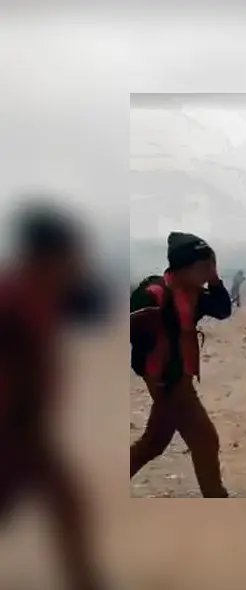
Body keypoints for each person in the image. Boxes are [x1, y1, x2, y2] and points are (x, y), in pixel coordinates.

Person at [0, 202, 109, 590]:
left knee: (67, 502)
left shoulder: (43, 292)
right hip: (12, 434)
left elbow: (95, 306)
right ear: (48, 257)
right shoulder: (16, 298)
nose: (78, 264)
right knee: (64, 501)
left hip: (26, 435)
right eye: (72, 255)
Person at [129, 231, 233, 497]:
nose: (207, 271)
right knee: (205, 441)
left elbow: (223, 310)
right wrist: (157, 379)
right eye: (203, 266)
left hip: (180, 377)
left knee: (153, 445)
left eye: (211, 264)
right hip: (167, 381)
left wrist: (214, 278)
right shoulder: (154, 293)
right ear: (182, 267)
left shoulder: (195, 294)